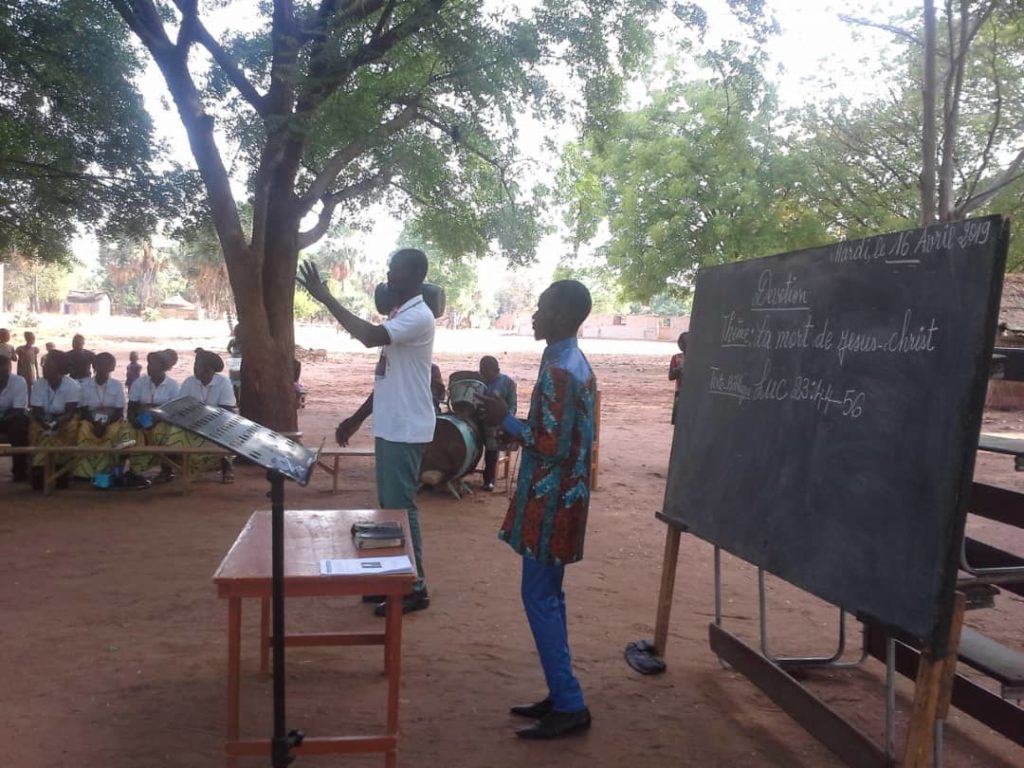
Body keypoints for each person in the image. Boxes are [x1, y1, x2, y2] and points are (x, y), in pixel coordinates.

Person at [482, 279, 596, 740]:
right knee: (549, 596)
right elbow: (558, 433)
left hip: (553, 501)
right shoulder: (565, 359)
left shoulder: (562, 369)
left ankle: (570, 703)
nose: (534, 315)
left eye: (543, 308)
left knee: (540, 597)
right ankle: (561, 692)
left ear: (565, 318)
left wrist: (503, 420)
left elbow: (549, 442)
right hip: (559, 495)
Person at [297, 248, 436, 615]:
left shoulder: (418, 317)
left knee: (401, 510)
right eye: (389, 269)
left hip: (406, 426)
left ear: (416, 276)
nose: (389, 276)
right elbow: (387, 376)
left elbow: (369, 337)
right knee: (389, 509)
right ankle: (392, 579)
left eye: (396, 271)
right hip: (394, 424)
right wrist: (356, 418)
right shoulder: (400, 314)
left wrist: (326, 297)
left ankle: (414, 586)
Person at [178, 348, 237, 483]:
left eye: (197, 365)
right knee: (174, 432)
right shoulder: (189, 382)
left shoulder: (223, 383)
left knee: (227, 431)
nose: (194, 368)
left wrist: (204, 416)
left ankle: (226, 466)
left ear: (208, 369)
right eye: (194, 364)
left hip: (217, 422)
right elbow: (181, 406)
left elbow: (226, 410)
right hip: (192, 423)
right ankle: (180, 467)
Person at [29, 349, 81, 488]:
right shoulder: (39, 384)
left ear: (59, 368)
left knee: (70, 427)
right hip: (43, 418)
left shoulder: (72, 386)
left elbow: (71, 411)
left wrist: (57, 422)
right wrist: (44, 423)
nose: (44, 367)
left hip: (64, 419)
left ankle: (63, 469)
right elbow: (37, 410)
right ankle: (39, 468)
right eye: (44, 364)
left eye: (48, 365)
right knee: (36, 427)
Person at [75, 352, 132, 480]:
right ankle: (85, 472)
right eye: (100, 365)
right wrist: (95, 424)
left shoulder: (117, 385)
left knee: (113, 433)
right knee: (84, 430)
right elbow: (84, 410)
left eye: (107, 366)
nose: (103, 369)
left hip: (112, 420)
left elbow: (119, 411)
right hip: (90, 420)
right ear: (94, 366)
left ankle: (106, 472)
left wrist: (105, 424)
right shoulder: (84, 385)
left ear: (112, 368)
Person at [127, 351, 181, 478]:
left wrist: (155, 419)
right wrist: (134, 421)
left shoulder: (173, 386)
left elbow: (173, 411)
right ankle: (135, 469)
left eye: (154, 365)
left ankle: (166, 469)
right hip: (141, 418)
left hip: (162, 420)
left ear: (163, 368)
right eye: (149, 364)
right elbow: (131, 407)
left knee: (164, 433)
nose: (150, 367)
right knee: (127, 432)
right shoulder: (139, 383)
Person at [478, 355, 517, 491]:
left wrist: (503, 418)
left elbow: (512, 406)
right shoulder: (480, 381)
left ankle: (489, 479)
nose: (482, 373)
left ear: (495, 369)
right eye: (481, 370)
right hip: (480, 419)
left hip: (497, 423)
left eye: (485, 370)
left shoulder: (508, 383)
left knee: (491, 438)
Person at [0, 355, 30, 482]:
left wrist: (3, 418)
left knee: (19, 426)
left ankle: (19, 470)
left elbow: (18, 409)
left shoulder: (19, 381)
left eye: (5, 372)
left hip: (11, 418)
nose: (2, 376)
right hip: (7, 414)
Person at [668, 331, 687, 426]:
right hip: (680, 393)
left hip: (685, 393)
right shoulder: (676, 358)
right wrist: (679, 369)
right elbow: (671, 376)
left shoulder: (677, 358)